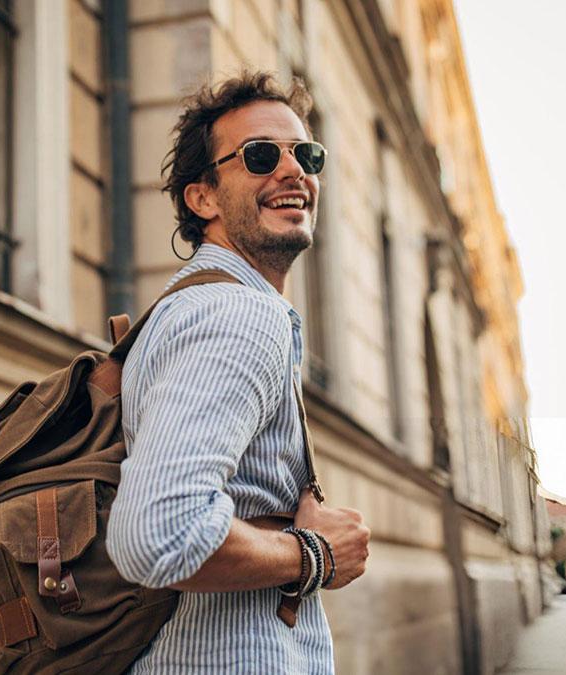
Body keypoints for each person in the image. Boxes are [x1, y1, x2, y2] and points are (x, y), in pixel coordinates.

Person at [105, 71, 371, 673]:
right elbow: (156, 533)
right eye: (259, 156)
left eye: (306, 154)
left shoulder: (188, 309)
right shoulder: (238, 313)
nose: (292, 171)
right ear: (202, 198)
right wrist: (316, 554)